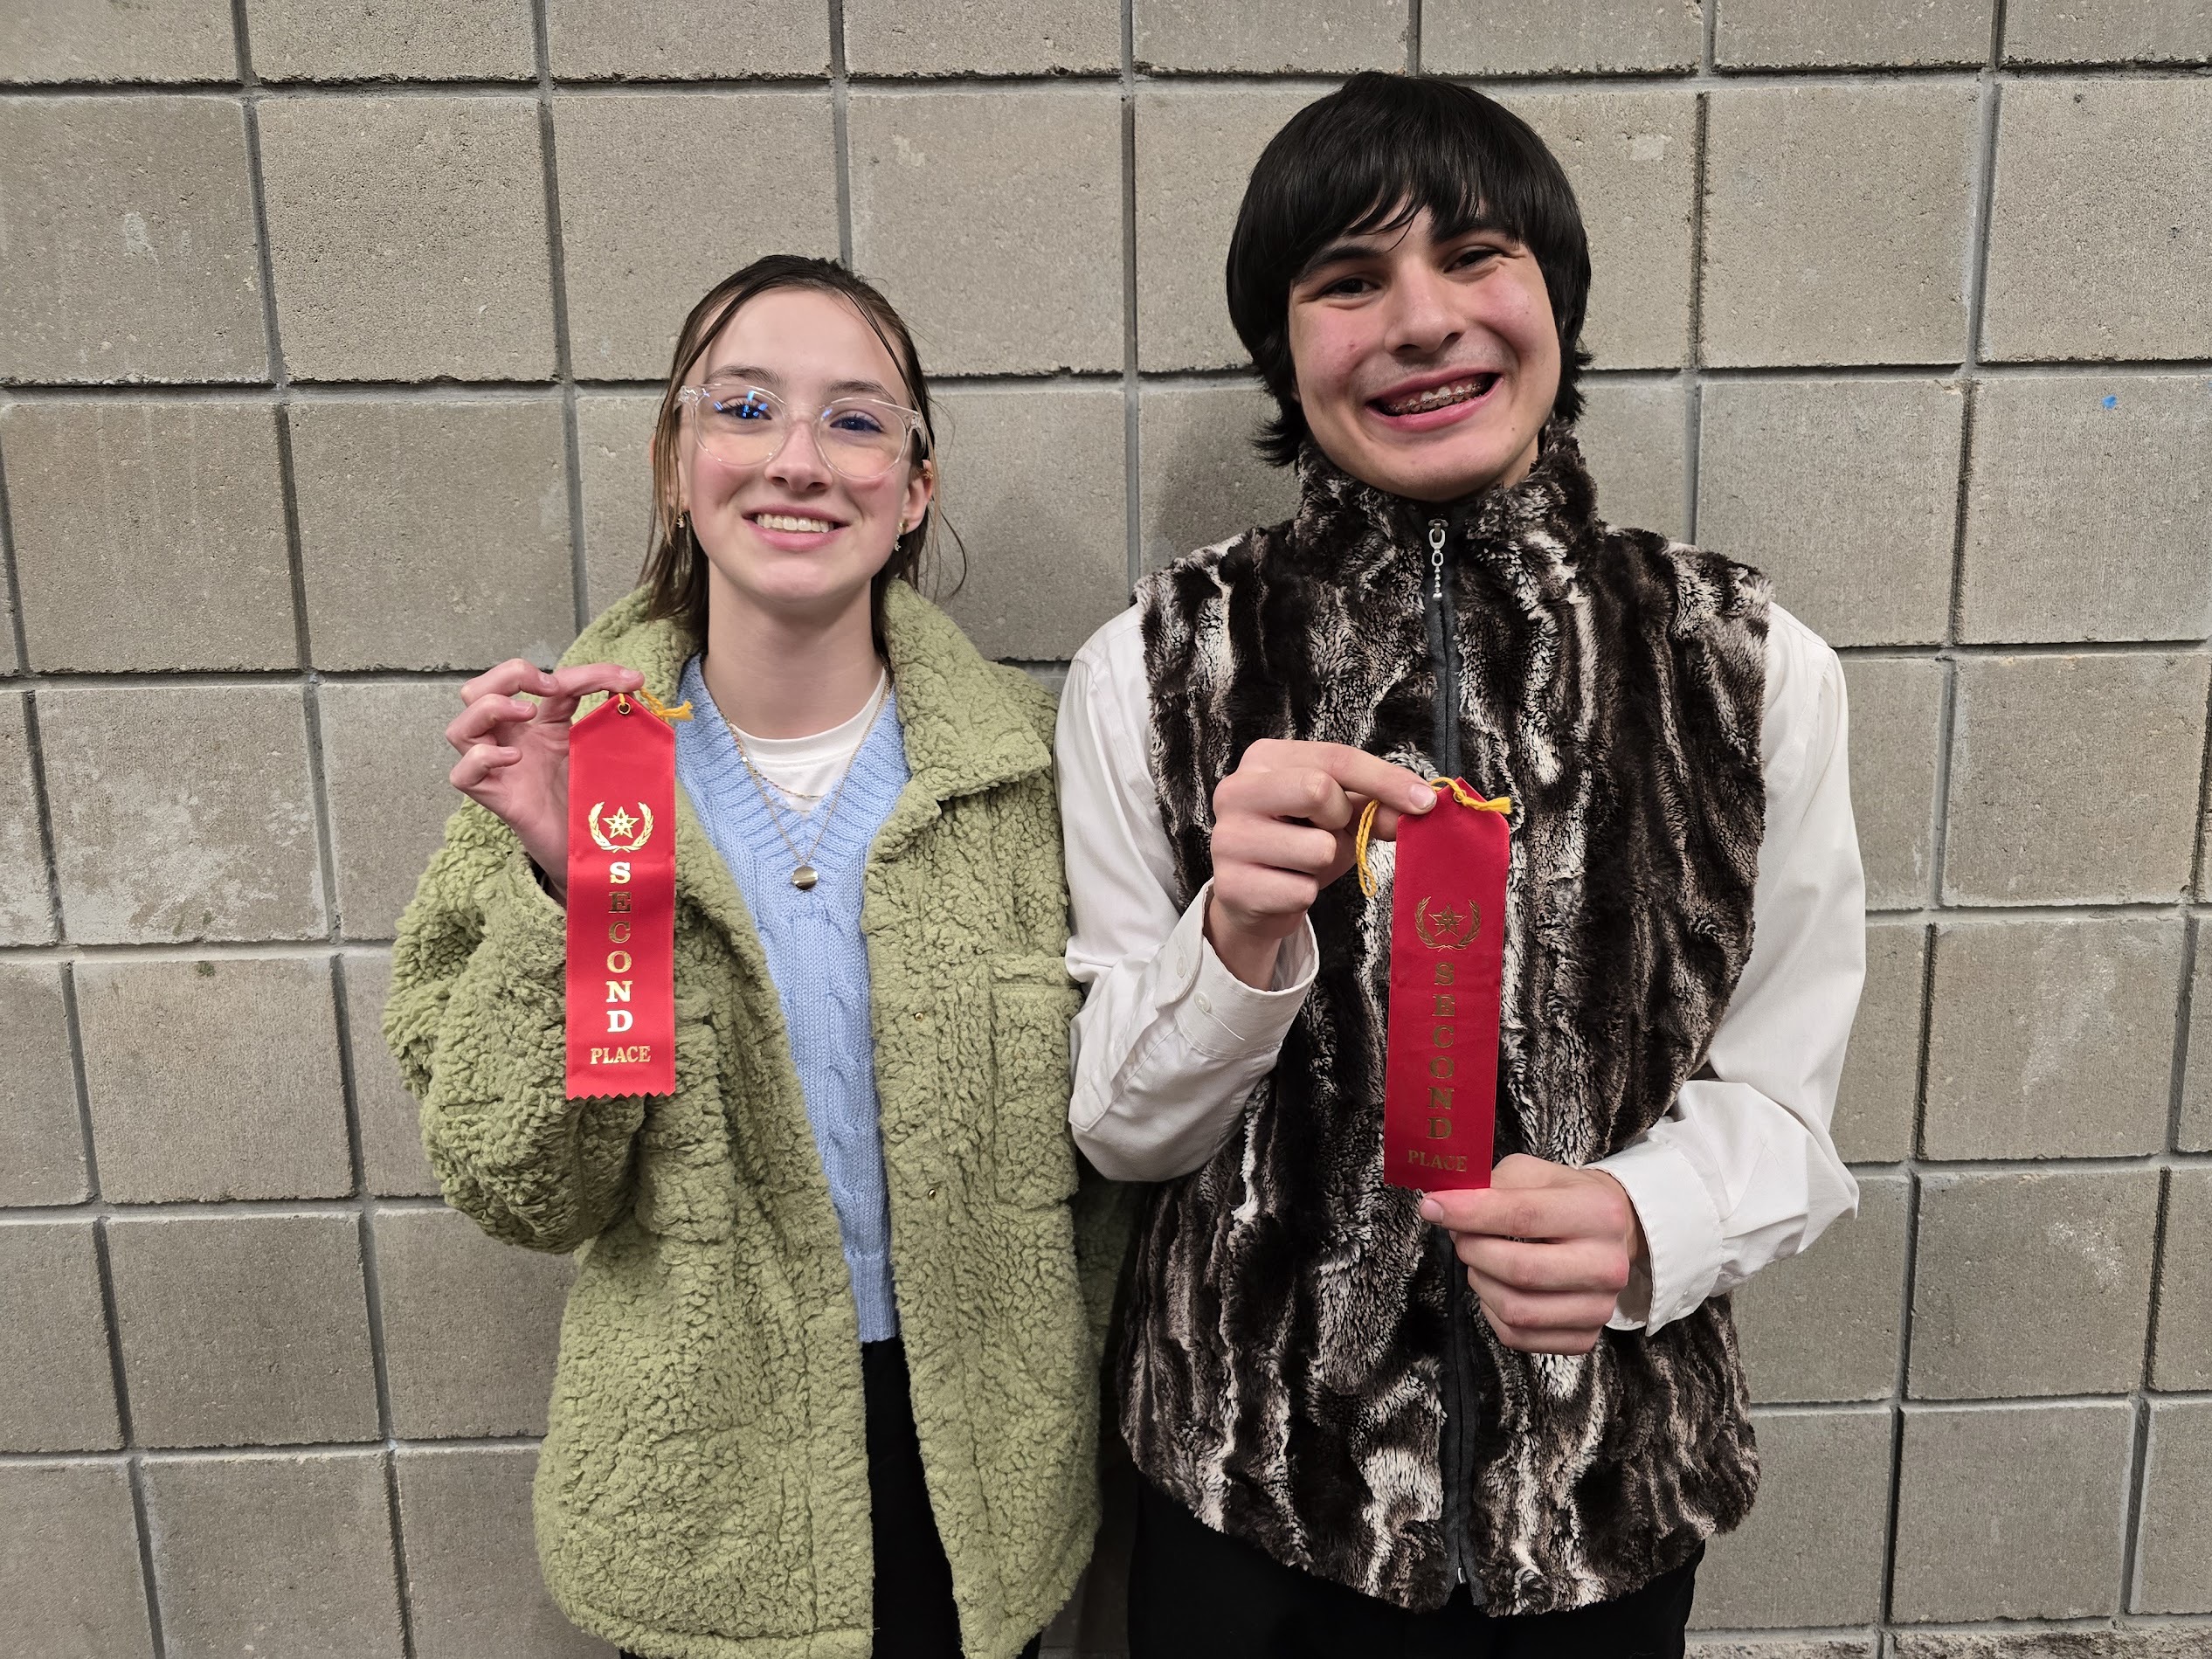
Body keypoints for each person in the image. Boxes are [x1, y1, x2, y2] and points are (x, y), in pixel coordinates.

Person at [1057, 73, 1864, 1656]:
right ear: (1284, 346)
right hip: (1250, 1499)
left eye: (1477, 257)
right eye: (1348, 281)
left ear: (1554, 297)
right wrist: (1234, 941)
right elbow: (1119, 1131)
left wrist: (1648, 1220)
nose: (1423, 321)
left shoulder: (1747, 664)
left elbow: (1786, 1102)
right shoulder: (1152, 667)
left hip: (1602, 1500)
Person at [385, 255, 1117, 1659]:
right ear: (677, 463)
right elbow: (526, 1189)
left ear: (915, 487)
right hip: (702, 1506)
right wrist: (566, 886)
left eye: (856, 421)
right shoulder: (570, 774)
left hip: (982, 1484)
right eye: (744, 407)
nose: (798, 459)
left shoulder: (1029, 775)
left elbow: (1110, 1161)